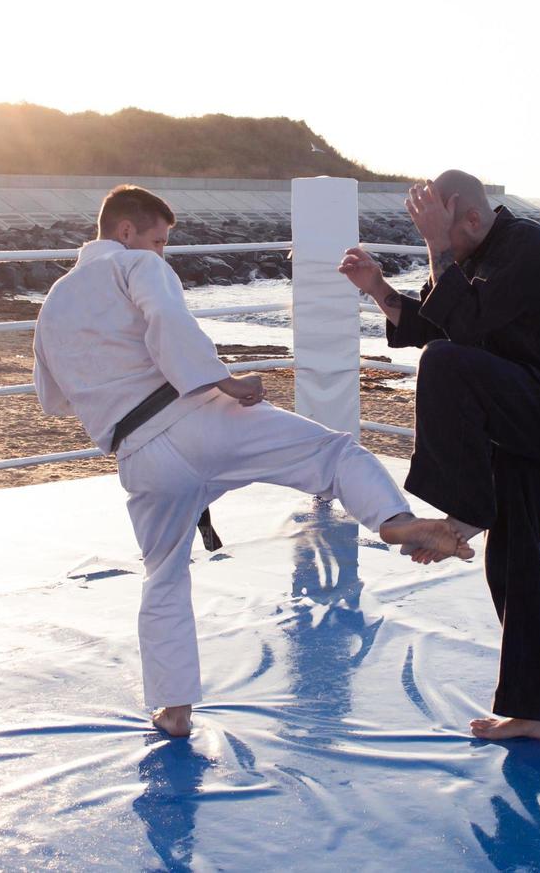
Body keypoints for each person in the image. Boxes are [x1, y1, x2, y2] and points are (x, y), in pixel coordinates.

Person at [33, 184, 471, 738]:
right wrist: (225, 380)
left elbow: (53, 398)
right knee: (332, 453)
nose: (162, 252)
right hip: (197, 418)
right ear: (126, 233)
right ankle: (395, 521)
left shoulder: (54, 302)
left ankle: (173, 710)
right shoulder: (134, 267)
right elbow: (167, 320)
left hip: (137, 454)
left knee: (163, 576)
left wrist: (111, 389)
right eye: (159, 241)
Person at [338, 170, 540, 741]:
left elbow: (462, 327)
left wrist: (436, 245)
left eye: (444, 230)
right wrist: (377, 288)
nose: (438, 247)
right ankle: (535, 714)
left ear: (473, 220)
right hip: (515, 417)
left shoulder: (527, 246)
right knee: (514, 559)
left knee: (442, 361)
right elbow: (438, 316)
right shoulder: (475, 260)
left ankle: (463, 514)